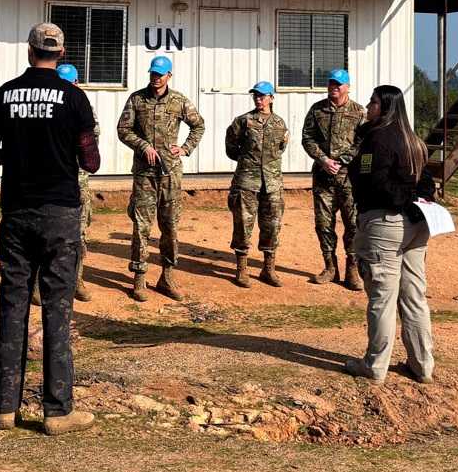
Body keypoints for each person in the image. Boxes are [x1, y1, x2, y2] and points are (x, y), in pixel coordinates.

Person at [0, 23, 101, 436]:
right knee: (57, 308)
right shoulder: (74, 98)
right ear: (60, 52)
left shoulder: (5, 94)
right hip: (60, 213)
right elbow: (91, 161)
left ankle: (4, 408)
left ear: (30, 51)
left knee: (12, 303)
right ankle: (56, 410)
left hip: (16, 212)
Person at [342, 84, 438, 385]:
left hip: (386, 224)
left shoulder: (377, 139)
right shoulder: (414, 141)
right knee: (414, 296)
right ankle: (422, 365)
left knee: (382, 297)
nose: (367, 108)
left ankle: (374, 365)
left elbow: (374, 184)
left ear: (384, 107)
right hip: (416, 226)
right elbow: (427, 184)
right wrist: (413, 204)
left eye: (372, 103)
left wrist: (400, 202)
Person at [116, 55, 205, 302]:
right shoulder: (137, 99)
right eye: (153, 74)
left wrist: (186, 148)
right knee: (141, 225)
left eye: (160, 75)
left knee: (169, 226)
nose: (155, 78)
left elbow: (199, 125)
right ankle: (139, 278)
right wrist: (142, 145)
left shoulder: (179, 101)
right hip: (145, 174)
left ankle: (167, 276)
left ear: (169, 76)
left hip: (170, 175)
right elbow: (123, 130)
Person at [31, 63, 97, 306]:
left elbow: (91, 140)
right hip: (46, 182)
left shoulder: (82, 105)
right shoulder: (42, 106)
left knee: (79, 234)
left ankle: (76, 280)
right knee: (43, 233)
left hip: (77, 182)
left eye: (68, 83)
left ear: (76, 83)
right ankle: (38, 284)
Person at [301, 68, 366, 290]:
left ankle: (352, 269)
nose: (334, 88)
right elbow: (307, 138)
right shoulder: (317, 110)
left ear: (347, 86)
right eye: (331, 84)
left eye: (338, 84)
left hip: (349, 179)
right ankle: (330, 267)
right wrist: (323, 160)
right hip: (323, 178)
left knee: (353, 225)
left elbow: (362, 141)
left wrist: (344, 160)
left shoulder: (359, 112)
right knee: (323, 224)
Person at [224, 81, 288, 287]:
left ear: (271, 98)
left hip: (272, 183)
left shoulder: (279, 124)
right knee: (243, 224)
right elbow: (231, 148)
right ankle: (241, 269)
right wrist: (248, 163)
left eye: (262, 96)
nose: (258, 99)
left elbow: (280, 148)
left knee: (272, 226)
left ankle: (268, 269)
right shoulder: (243, 121)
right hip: (247, 182)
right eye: (256, 96)